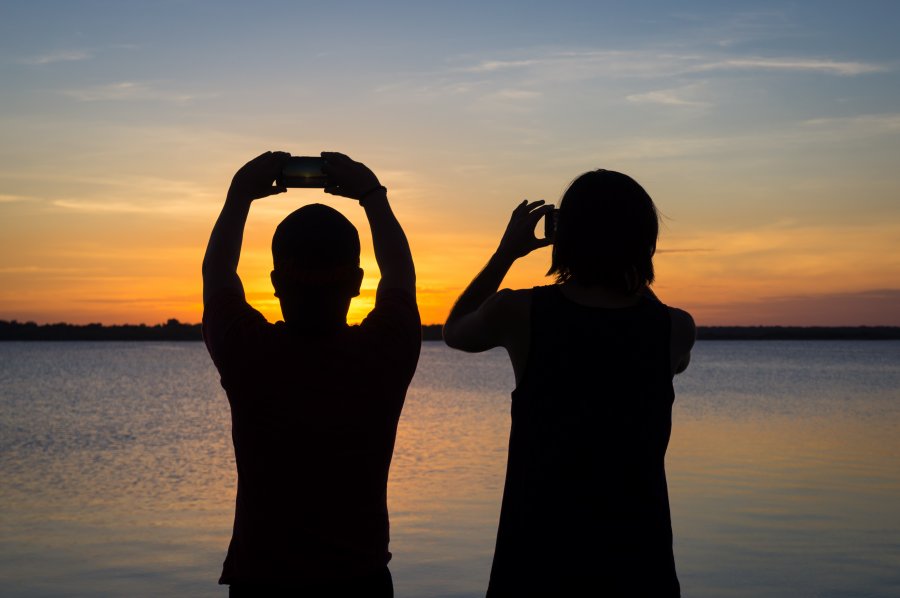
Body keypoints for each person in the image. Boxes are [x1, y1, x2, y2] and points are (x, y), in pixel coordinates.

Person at [443, 169, 695, 597]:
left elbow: (454, 330)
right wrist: (629, 269)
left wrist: (506, 253)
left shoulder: (519, 313)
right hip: (638, 561)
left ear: (564, 235)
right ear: (645, 239)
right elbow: (665, 347)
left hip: (535, 559)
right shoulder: (673, 328)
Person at [202, 151, 420, 597]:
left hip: (261, 581)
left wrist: (240, 194)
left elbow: (217, 274)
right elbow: (400, 274)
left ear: (276, 282)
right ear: (359, 282)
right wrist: (372, 196)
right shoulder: (384, 353)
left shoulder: (249, 354)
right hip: (360, 581)